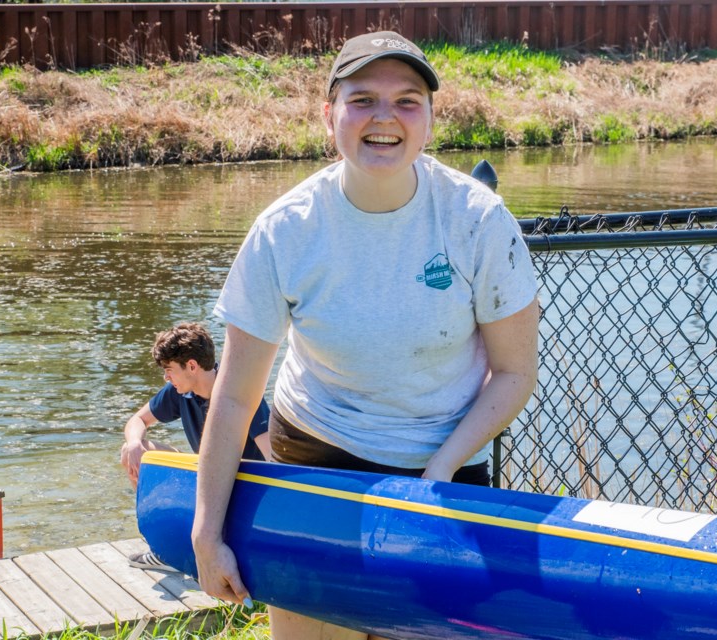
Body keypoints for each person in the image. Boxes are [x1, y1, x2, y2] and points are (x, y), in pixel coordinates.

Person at [191, 30, 539, 639]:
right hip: (320, 454)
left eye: (407, 100)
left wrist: (441, 472)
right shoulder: (285, 230)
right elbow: (237, 397)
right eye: (362, 100)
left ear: (431, 119)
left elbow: (514, 372)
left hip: (446, 462)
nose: (385, 118)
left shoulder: (478, 220)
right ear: (329, 115)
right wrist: (206, 532)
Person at [120, 321, 271, 571]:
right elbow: (137, 420)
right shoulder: (179, 391)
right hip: (207, 477)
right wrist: (134, 443)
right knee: (138, 452)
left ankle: (180, 549)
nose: (166, 377)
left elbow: (272, 457)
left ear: (191, 366)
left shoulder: (240, 391)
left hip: (243, 488)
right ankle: (165, 545)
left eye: (169, 370)